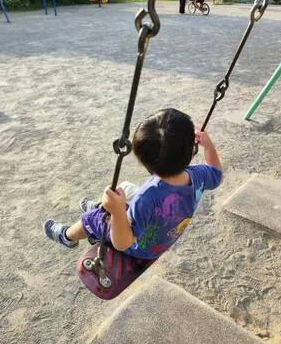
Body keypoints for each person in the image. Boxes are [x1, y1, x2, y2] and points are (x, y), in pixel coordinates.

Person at [43, 108, 222, 261]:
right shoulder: (198, 174)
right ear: (191, 151)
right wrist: (208, 146)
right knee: (127, 188)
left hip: (142, 247)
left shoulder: (148, 196)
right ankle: (104, 208)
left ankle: (67, 236)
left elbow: (123, 243)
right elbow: (217, 174)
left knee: (92, 219)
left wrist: (117, 211)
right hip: (167, 230)